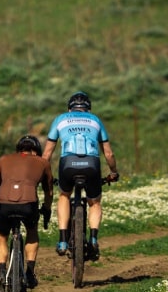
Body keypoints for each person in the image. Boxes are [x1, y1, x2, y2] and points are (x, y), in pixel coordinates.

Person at [42, 91, 119, 260]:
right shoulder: (95, 120)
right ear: (88, 109)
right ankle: (93, 239)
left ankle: (63, 241)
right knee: (94, 201)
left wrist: (43, 174)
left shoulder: (61, 119)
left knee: (64, 195)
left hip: (67, 164)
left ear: (69, 109)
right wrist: (113, 172)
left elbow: (47, 154)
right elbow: (109, 154)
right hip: (92, 164)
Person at [0, 135, 53, 292]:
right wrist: (46, 208)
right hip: (28, 205)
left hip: (4, 205)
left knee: (1, 236)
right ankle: (30, 272)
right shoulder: (43, 162)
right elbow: (49, 192)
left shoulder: (4, 159)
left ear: (18, 149)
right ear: (36, 150)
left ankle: (1, 272)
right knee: (32, 231)